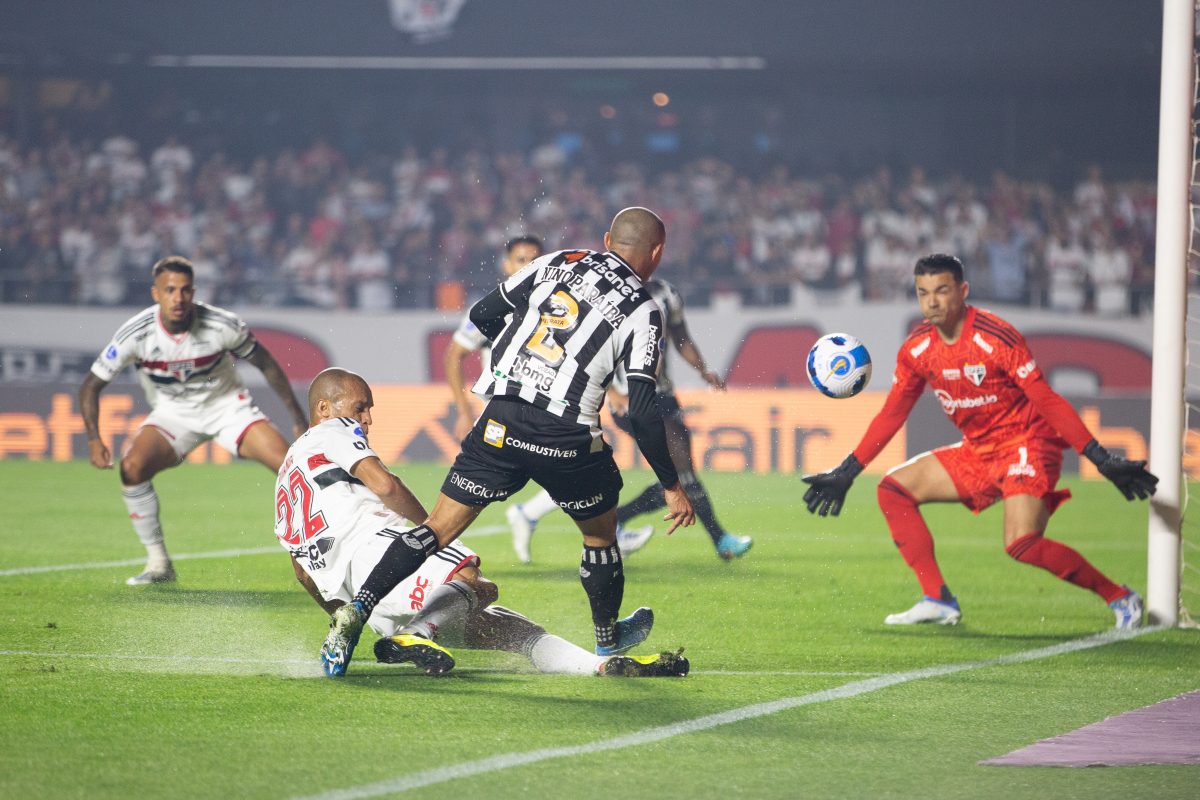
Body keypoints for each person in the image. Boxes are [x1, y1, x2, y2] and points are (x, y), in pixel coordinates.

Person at [319, 206, 696, 677]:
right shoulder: (645, 310)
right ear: (657, 253)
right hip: (567, 434)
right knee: (600, 533)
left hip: (501, 421)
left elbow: (482, 314)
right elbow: (642, 411)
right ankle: (606, 638)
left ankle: (355, 613)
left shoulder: (555, 261)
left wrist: (521, 356)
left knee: (437, 527)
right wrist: (672, 484)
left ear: (606, 238)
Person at [801, 254, 1157, 628]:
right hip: (979, 451)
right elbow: (893, 413)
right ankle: (937, 599)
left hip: (1027, 443)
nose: (932, 302)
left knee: (1021, 543)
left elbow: (1046, 399)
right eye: (923, 293)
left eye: (941, 290)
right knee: (892, 489)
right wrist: (848, 470)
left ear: (963, 291)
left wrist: (1099, 458)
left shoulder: (995, 337)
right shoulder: (917, 349)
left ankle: (1121, 597)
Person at [280, 368, 688, 678]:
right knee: (470, 574)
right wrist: (429, 532)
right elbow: (385, 484)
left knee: (508, 627)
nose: (366, 418)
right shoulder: (332, 431)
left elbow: (301, 571)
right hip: (375, 551)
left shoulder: (288, 474)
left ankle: (603, 667)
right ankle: (419, 634)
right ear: (324, 410)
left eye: (368, 409)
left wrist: (344, 622)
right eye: (359, 407)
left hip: (355, 591)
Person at [80, 256, 307, 585]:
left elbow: (267, 364)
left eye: (185, 290)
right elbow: (90, 386)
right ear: (155, 293)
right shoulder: (136, 334)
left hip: (228, 408)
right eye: (170, 290)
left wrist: (297, 418)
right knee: (132, 467)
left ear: (194, 292)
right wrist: (93, 439)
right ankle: (159, 563)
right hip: (174, 414)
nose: (178, 298)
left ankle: (323, 552)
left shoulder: (221, 325)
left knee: (292, 468)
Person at [606, 276, 752, 560]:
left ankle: (618, 517)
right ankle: (721, 540)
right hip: (630, 399)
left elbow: (681, 337)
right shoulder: (610, 293)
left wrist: (703, 369)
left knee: (679, 479)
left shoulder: (666, 293)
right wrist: (612, 392)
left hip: (663, 395)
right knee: (682, 471)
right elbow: (596, 346)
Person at [443, 235, 561, 564]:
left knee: (583, 472)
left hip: (544, 413)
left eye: (536, 258)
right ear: (507, 266)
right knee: (471, 494)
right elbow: (454, 355)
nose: (530, 265)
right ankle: (438, 548)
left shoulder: (557, 308)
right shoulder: (493, 308)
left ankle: (525, 515)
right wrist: (464, 411)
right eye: (522, 259)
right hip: (502, 416)